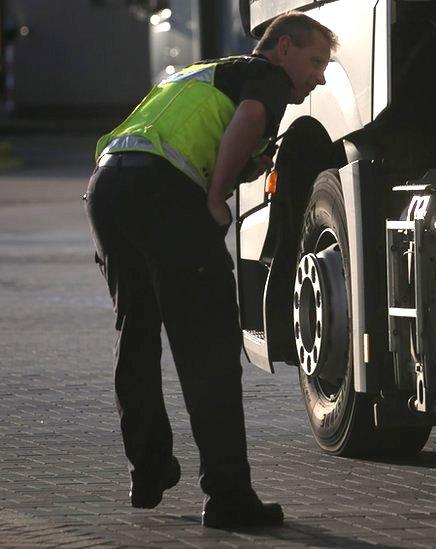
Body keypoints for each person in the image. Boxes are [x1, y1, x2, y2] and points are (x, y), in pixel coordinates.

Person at [84, 12, 336, 528]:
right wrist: (219, 195)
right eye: (314, 62)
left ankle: (149, 469)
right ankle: (228, 496)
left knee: (135, 330)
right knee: (209, 349)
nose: (320, 77)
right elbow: (247, 120)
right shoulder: (263, 77)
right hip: (163, 194)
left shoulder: (200, 72)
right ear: (282, 48)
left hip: (108, 187)